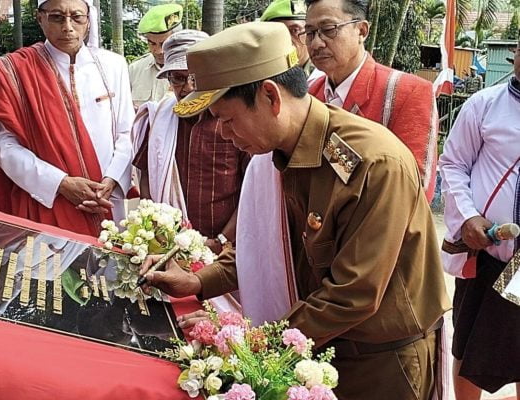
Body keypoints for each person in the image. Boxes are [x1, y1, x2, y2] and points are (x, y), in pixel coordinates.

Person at [141, 22, 450, 400]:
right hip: (314, 345)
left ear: (270, 97)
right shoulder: (273, 156)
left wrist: (251, 340)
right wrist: (199, 281)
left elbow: (352, 294)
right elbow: (265, 246)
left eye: (227, 118)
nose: (221, 133)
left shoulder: (371, 163)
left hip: (378, 364)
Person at [0, 0, 134, 238]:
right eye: (57, 17)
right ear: (40, 18)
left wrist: (112, 180)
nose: (68, 27)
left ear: (88, 21)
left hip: (107, 200)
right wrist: (60, 183)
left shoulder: (113, 65)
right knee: (52, 273)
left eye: (77, 17)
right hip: (46, 200)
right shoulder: (16, 70)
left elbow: (127, 132)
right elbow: (2, 144)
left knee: (112, 269)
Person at [439, 37, 520, 399]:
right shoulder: (484, 105)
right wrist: (469, 217)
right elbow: (453, 163)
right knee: (471, 345)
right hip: (491, 257)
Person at [304, 0, 438, 201]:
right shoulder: (310, 95)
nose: (316, 43)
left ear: (362, 30)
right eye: (310, 33)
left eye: (329, 29)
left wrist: (328, 147)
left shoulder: (406, 92)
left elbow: (413, 188)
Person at [131, 29, 249, 254]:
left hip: (227, 250)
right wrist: (156, 226)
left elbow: (252, 188)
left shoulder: (233, 120)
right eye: (177, 78)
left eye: (195, 78)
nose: (187, 88)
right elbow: (146, 174)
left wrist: (222, 240)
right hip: (168, 246)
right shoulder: (158, 120)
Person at [127, 3, 181, 108]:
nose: (158, 51)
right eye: (152, 43)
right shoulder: (134, 70)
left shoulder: (191, 70)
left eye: (164, 44)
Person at [260, 0, 316, 77]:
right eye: (278, 33)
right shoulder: (259, 76)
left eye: (294, 30)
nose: (286, 39)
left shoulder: (323, 76)